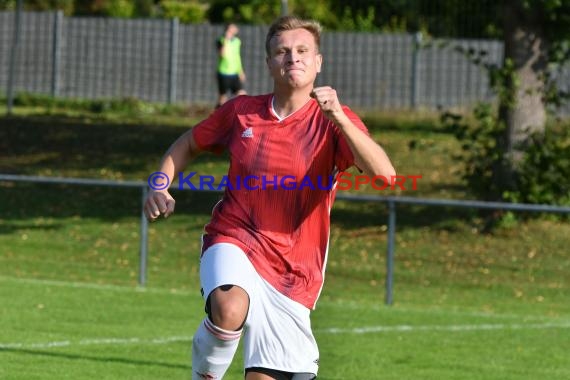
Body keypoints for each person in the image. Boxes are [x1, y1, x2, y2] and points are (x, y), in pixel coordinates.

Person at [144, 15, 395, 380]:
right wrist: (159, 184)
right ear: (268, 64)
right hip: (235, 237)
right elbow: (187, 144)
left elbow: (385, 177)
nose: (292, 57)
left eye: (302, 50)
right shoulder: (241, 112)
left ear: (318, 62)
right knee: (229, 307)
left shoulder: (334, 122)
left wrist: (339, 117)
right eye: (282, 51)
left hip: (295, 269)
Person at [216, 23, 247, 108]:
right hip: (223, 72)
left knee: (242, 94)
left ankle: (238, 116)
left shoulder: (237, 41)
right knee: (223, 98)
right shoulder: (221, 40)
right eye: (232, 27)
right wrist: (226, 39)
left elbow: (237, 56)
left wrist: (240, 71)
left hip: (234, 73)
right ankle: (216, 117)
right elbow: (222, 54)